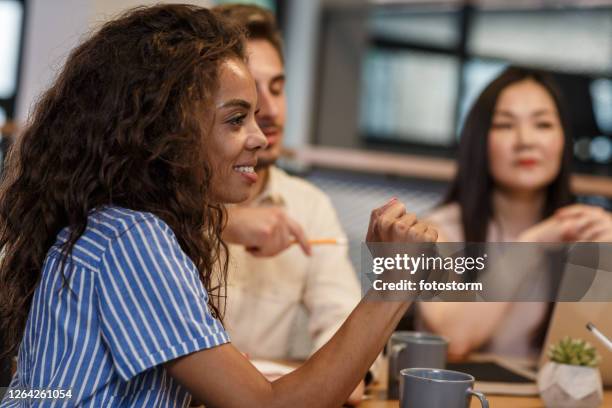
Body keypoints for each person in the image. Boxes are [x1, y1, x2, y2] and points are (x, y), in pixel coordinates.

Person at [0, 5, 436, 407]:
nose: (261, 138)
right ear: (165, 129)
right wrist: (394, 283)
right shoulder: (133, 238)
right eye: (235, 119)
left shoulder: (112, 223)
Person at [213, 4, 367, 393]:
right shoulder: (155, 205)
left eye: (277, 88)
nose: (272, 111)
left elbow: (341, 319)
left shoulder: (308, 205)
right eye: (248, 90)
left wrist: (349, 371)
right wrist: (221, 223)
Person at [419, 66, 612, 360]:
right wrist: (532, 244)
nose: (526, 140)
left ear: (563, 140)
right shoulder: (431, 233)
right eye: (505, 125)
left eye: (543, 125)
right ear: (479, 140)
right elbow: (453, 339)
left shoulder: (587, 232)